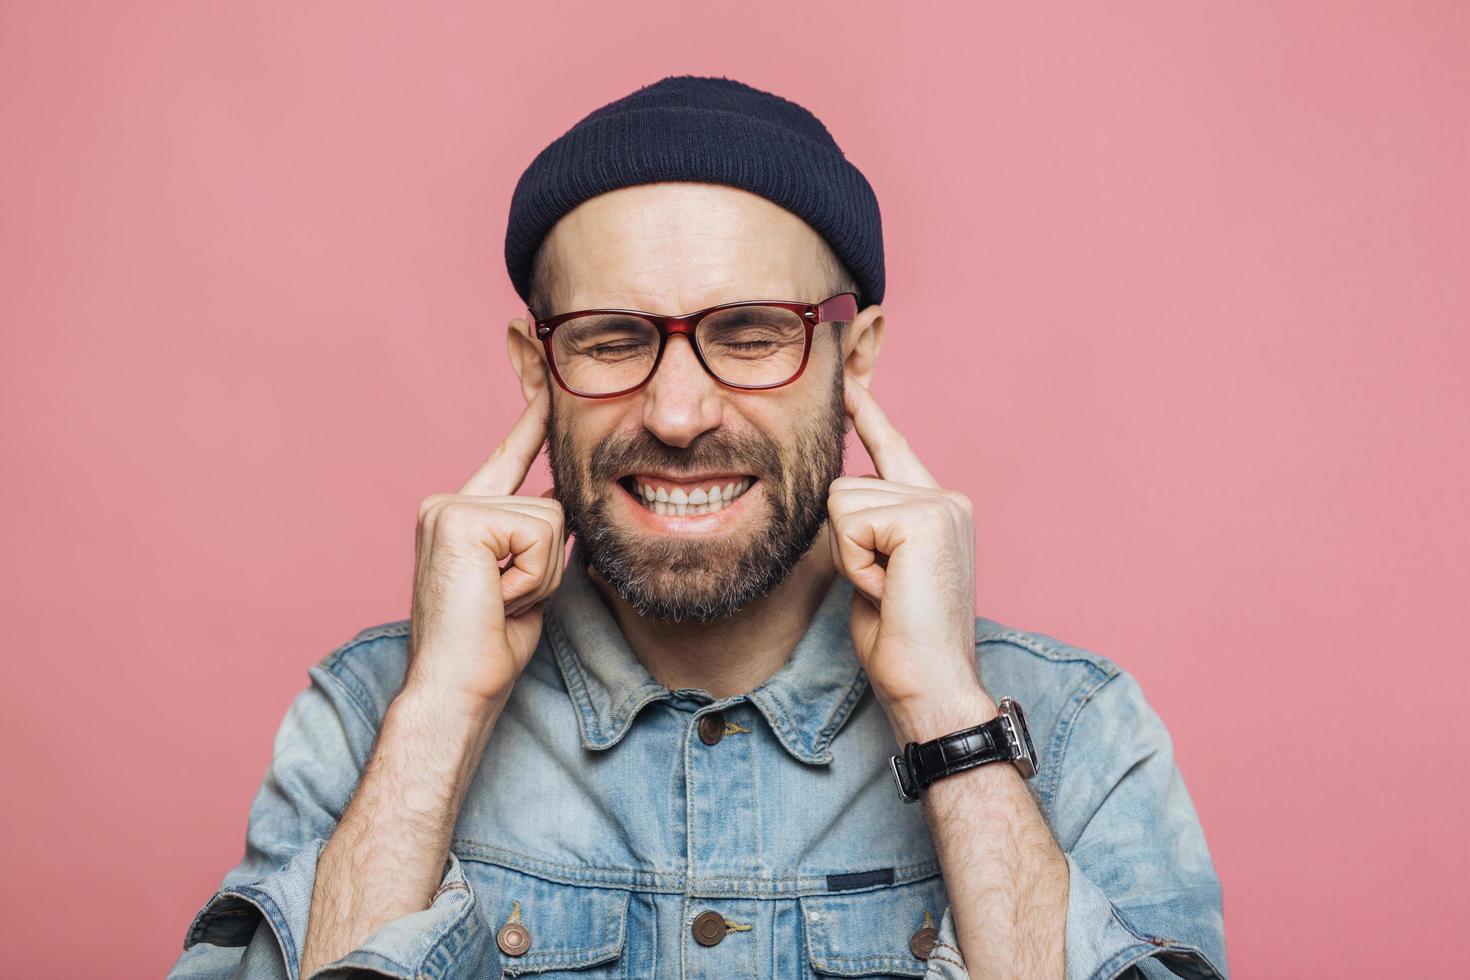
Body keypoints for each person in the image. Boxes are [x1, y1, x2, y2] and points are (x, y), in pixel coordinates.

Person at [169, 74, 1227, 980]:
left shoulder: (1073, 729)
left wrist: (949, 714)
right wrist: (438, 715)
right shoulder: (368, 721)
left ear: (853, 361)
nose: (678, 414)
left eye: (753, 334)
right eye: (611, 338)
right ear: (539, 370)